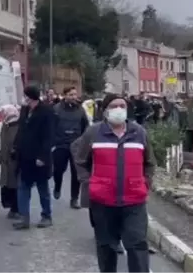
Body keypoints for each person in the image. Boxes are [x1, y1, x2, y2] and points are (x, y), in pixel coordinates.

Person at [72, 93, 155, 273]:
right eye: (114, 106)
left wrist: (145, 184)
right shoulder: (93, 133)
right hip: (103, 201)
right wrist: (89, 183)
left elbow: (150, 163)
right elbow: (80, 160)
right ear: (105, 111)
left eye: (123, 106)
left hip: (134, 201)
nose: (119, 109)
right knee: (106, 247)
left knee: (137, 244)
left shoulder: (139, 132)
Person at [12, 85, 55, 230]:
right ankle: (24, 218)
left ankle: (46, 216)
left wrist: (42, 156)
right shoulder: (25, 110)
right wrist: (15, 147)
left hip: (39, 158)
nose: (24, 98)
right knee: (23, 187)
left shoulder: (46, 111)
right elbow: (21, 130)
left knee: (43, 188)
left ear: (30, 97)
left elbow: (49, 136)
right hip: (25, 156)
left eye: (25, 96)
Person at [52, 86, 90, 209]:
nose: (73, 97)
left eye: (75, 94)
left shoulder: (81, 110)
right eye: (70, 95)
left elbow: (85, 126)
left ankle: (74, 198)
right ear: (64, 95)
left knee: (76, 173)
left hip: (76, 146)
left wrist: (83, 142)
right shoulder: (56, 109)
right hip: (60, 145)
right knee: (58, 170)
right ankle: (57, 186)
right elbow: (50, 126)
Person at [0, 104, 21, 219]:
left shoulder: (19, 126)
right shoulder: (5, 126)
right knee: (7, 186)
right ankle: (12, 208)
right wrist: (0, 155)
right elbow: (3, 143)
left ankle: (16, 209)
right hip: (6, 162)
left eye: (4, 112)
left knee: (15, 186)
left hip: (15, 162)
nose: (2, 115)